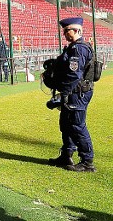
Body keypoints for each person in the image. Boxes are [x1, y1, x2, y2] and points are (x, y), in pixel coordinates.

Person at [47, 17, 96, 172]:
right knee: (66, 124)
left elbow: (74, 75)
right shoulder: (73, 47)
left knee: (77, 125)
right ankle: (66, 155)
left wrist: (64, 93)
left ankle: (87, 161)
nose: (64, 34)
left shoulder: (79, 49)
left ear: (77, 30)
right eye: (64, 31)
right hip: (73, 92)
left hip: (77, 93)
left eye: (67, 30)